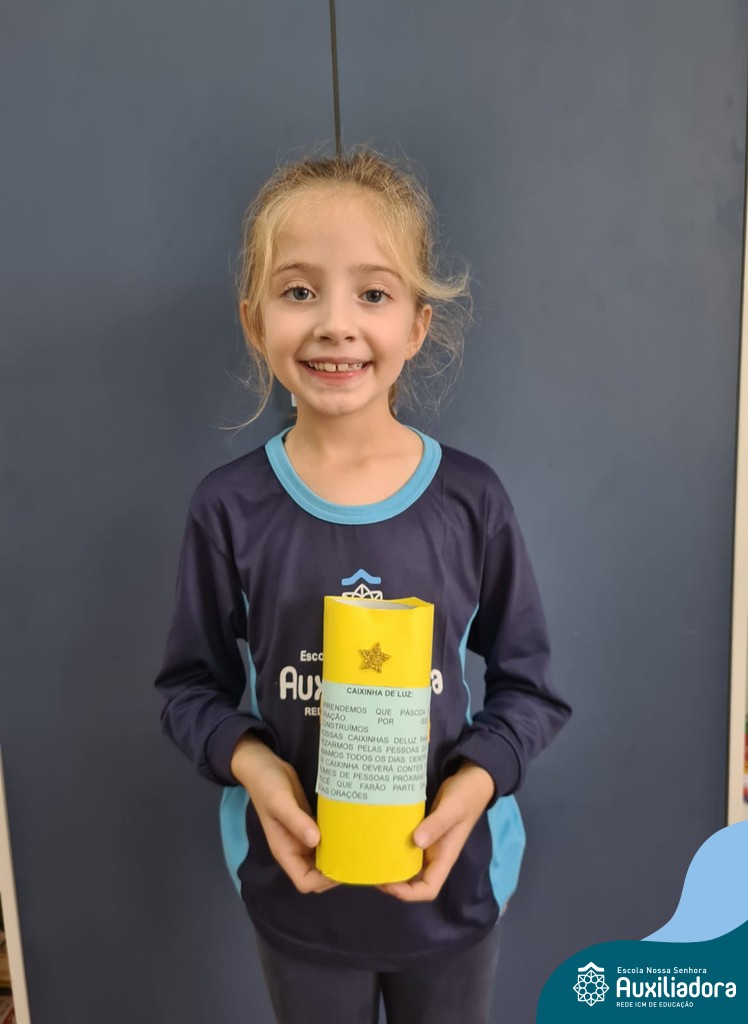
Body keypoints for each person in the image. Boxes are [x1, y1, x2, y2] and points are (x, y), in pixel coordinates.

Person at [154, 147, 571, 1024]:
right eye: (299, 291)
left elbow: (532, 692)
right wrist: (253, 765)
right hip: (297, 898)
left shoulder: (472, 501)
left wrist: (477, 784)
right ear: (254, 321)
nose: (335, 325)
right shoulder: (229, 508)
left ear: (418, 325)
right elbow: (188, 690)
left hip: (453, 893)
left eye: (373, 294)